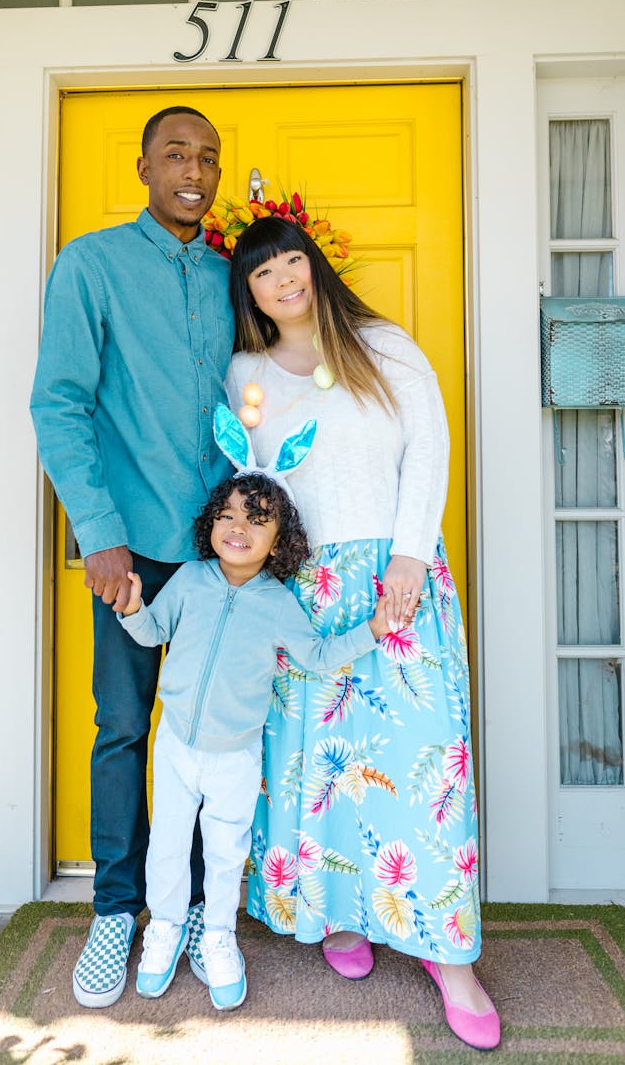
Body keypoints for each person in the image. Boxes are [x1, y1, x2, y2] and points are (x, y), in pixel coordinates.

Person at [225, 216, 501, 1051]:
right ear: (250, 291)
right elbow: (248, 477)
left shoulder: (383, 345)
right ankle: (339, 910)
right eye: (265, 271)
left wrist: (411, 555)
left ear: (314, 266)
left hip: (395, 575)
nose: (284, 279)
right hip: (301, 587)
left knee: (423, 761)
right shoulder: (245, 371)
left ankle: (449, 955)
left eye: (292, 262)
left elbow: (430, 446)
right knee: (319, 761)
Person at [30, 106, 234, 1009]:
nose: (196, 170)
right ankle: (117, 908)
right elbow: (60, 404)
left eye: (210, 159)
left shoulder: (236, 278)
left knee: (207, 737)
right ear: (144, 165)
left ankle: (188, 908)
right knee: (123, 728)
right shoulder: (92, 265)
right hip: (129, 552)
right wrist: (98, 534)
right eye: (179, 153)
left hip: (219, 557)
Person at [117, 449, 395, 1011]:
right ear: (211, 523)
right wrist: (131, 608)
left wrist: (373, 628)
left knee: (224, 853)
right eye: (229, 515)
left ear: (279, 541)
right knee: (167, 847)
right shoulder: (191, 581)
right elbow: (152, 634)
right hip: (174, 746)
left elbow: (317, 656)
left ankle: (218, 935)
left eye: (258, 519)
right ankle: (166, 928)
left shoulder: (277, 603)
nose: (239, 527)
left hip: (235, 757)